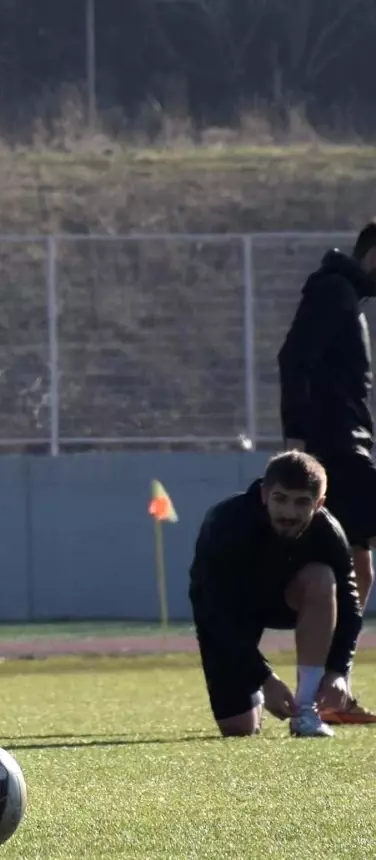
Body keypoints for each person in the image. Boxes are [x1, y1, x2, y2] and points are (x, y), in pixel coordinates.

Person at [188, 451, 363, 738]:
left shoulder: (329, 532)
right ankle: (253, 697)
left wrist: (337, 671)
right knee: (239, 729)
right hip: (229, 610)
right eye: (281, 499)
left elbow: (350, 606)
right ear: (264, 494)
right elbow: (214, 614)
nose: (289, 513)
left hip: (286, 600)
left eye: (302, 502)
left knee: (322, 577)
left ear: (319, 504)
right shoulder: (225, 523)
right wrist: (264, 678)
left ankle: (306, 710)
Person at [277, 221, 376, 725]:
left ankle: (331, 690)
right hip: (337, 453)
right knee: (350, 570)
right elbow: (294, 358)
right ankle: (326, 689)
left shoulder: (345, 295)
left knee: (356, 569)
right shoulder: (333, 291)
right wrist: (297, 436)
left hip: (350, 449)